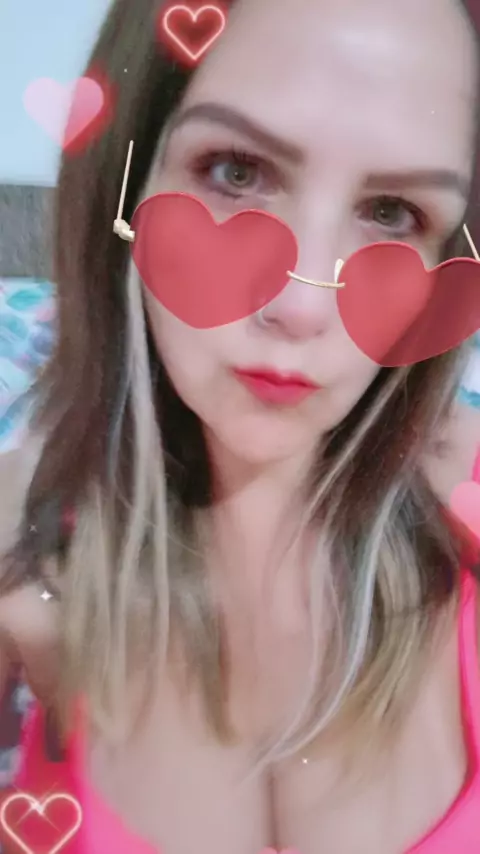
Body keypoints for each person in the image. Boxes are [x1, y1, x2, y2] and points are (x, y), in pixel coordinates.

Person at [0, 0, 480, 851]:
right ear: (128, 180)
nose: (302, 304)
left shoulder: (463, 520)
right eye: (236, 171)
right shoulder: (24, 539)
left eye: (393, 214)